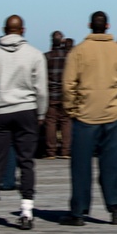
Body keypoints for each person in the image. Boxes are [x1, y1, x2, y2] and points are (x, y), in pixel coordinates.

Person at [59, 11, 117, 226]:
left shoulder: (78, 52)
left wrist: (72, 109)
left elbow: (68, 85)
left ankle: (78, 212)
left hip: (85, 116)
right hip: (111, 115)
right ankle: (115, 209)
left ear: (89, 25)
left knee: (81, 167)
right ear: (108, 26)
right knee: (111, 165)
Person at [0, 14, 48, 231]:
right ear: (23, 30)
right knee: (26, 161)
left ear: (4, 29)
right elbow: (41, 90)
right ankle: (26, 211)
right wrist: (41, 113)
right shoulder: (35, 55)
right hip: (26, 111)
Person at [44, 31, 71, 159]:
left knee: (51, 122)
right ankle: (65, 150)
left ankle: (51, 151)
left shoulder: (47, 57)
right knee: (66, 122)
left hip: (51, 94)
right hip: (65, 94)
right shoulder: (68, 56)